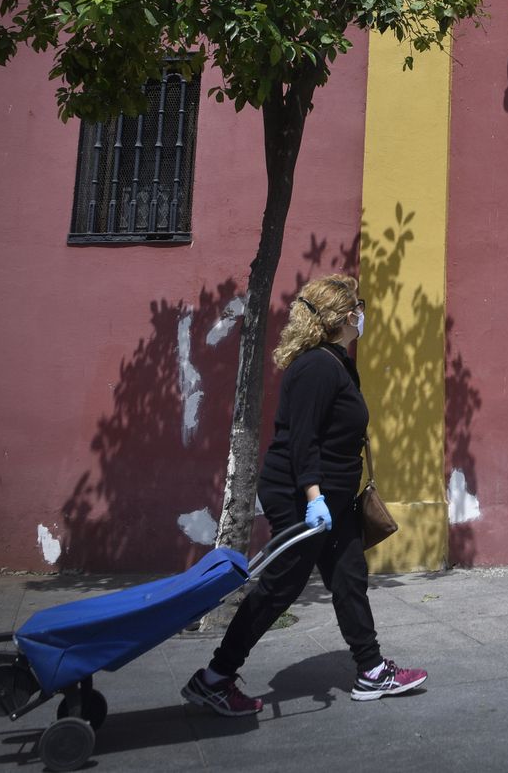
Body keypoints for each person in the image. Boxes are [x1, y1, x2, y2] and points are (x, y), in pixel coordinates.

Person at [182, 274, 425, 715]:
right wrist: (313, 497)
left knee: (349, 575)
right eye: (358, 306)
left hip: (332, 497)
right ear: (344, 316)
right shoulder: (316, 367)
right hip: (302, 495)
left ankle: (371, 670)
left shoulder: (335, 362)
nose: (362, 313)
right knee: (282, 586)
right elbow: (302, 440)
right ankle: (214, 677)